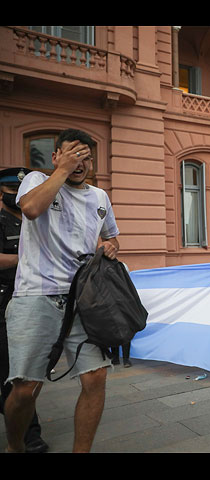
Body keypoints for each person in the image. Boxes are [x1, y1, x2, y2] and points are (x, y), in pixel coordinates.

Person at [3, 129, 120, 453]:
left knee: (95, 379)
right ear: (56, 156)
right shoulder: (36, 181)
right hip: (35, 296)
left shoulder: (99, 197)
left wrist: (109, 246)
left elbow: (111, 236)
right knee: (26, 389)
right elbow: (30, 209)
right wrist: (62, 170)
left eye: (85, 156)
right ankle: (16, 445)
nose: (79, 161)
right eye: (71, 154)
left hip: (84, 300)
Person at [0, 167, 49, 453]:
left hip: (30, 302)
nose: (15, 197)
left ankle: (30, 435)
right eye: (10, 192)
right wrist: (25, 258)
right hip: (3, 302)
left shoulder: (38, 220)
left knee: (19, 374)